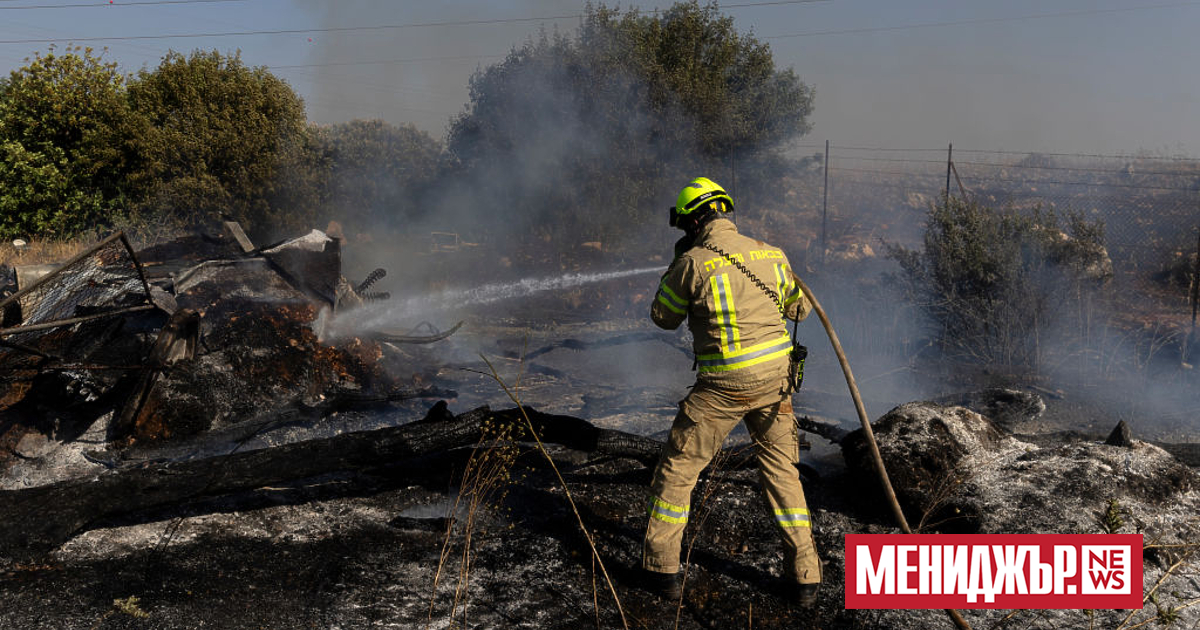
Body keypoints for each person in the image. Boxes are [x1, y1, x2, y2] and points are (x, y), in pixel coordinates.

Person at [642, 176, 821, 605]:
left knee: (678, 471)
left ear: (692, 222)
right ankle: (806, 577)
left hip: (722, 389)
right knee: (783, 475)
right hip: (775, 385)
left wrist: (677, 264)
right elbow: (801, 308)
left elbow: (662, 317)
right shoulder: (771, 253)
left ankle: (661, 570)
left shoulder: (693, 262)